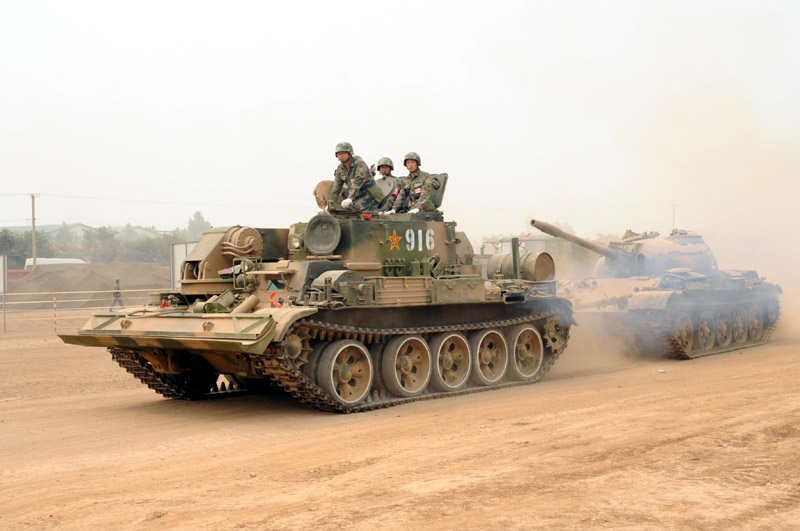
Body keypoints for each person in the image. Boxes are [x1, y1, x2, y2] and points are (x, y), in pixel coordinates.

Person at [329, 141, 378, 211]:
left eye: (343, 153)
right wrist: (331, 203)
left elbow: (358, 182)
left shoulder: (360, 164)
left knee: (355, 209)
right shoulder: (340, 168)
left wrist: (350, 199)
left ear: (350, 153)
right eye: (339, 154)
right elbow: (336, 188)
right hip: (356, 196)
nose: (341, 156)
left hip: (370, 195)